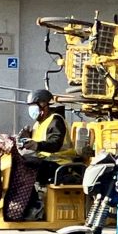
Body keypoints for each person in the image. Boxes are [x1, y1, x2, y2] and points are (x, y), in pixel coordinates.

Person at [17, 88, 75, 219]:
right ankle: (28, 204)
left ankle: (34, 206)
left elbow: (55, 144)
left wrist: (36, 145)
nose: (32, 110)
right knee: (19, 163)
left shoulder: (56, 121)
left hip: (59, 164)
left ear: (44, 105)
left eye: (34, 106)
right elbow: (37, 140)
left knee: (23, 167)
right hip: (47, 162)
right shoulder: (39, 123)